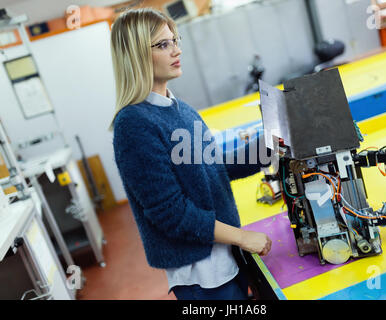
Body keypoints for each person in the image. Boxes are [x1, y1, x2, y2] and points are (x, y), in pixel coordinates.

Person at [110, 8, 272, 300]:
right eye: (163, 44)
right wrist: (242, 237)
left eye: (175, 40)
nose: (176, 50)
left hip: (228, 259)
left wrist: (270, 146)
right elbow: (172, 214)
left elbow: (213, 164)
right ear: (135, 54)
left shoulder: (180, 109)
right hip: (203, 276)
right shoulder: (134, 125)